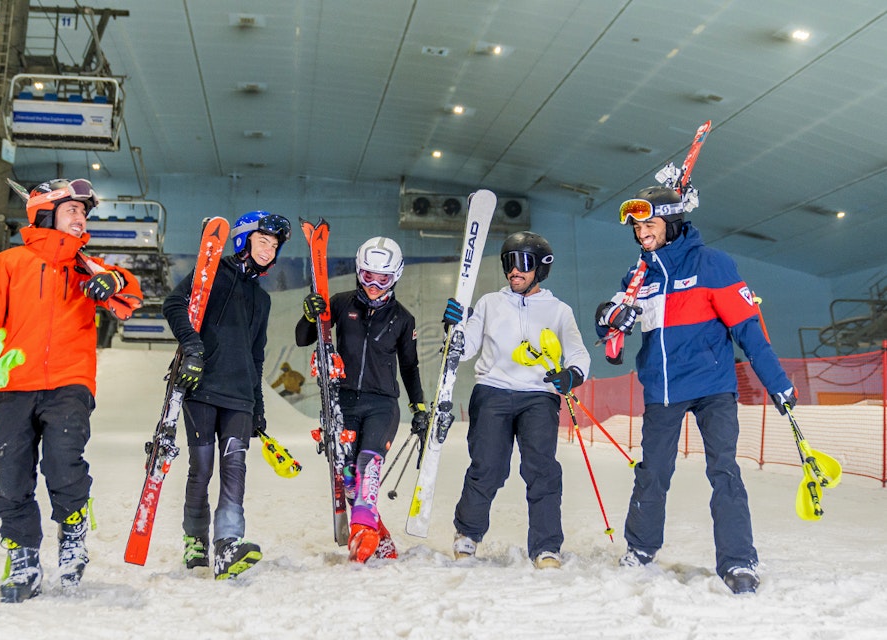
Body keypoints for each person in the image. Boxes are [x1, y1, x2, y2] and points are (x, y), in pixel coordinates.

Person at [597, 184, 797, 594]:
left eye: (649, 224)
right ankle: (640, 547)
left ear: (671, 223)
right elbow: (608, 331)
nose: (641, 233)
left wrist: (777, 383)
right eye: (636, 226)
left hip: (712, 388)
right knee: (652, 473)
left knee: (724, 471)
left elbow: (748, 328)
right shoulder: (638, 277)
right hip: (662, 391)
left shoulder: (712, 265)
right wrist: (610, 318)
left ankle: (739, 560)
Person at [0, 178, 143, 603]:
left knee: (63, 461)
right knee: (11, 475)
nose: (81, 219)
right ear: (44, 213)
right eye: (72, 211)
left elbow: (130, 298)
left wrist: (116, 282)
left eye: (83, 213)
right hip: (13, 385)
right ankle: (23, 555)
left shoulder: (86, 267)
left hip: (69, 382)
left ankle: (73, 529)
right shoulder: (9, 263)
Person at [442, 231, 590, 570]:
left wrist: (573, 374)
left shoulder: (559, 310)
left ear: (541, 268)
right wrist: (454, 328)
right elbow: (464, 352)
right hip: (492, 390)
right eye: (509, 262)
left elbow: (578, 351)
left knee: (542, 470)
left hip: (539, 395)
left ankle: (546, 547)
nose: (514, 271)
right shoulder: (490, 303)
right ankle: (467, 533)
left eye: (523, 263)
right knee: (488, 466)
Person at [163, 210, 290, 580]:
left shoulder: (262, 301)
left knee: (235, 469)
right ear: (244, 240)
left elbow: (256, 354)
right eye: (262, 241)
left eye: (274, 245)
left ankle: (227, 545)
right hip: (201, 389)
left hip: (240, 399)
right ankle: (196, 541)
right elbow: (173, 304)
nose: (268, 250)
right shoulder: (212, 272)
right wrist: (192, 347)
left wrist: (259, 404)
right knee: (201, 469)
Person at [297, 236, 427, 562]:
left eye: (382, 278)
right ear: (358, 271)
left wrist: (419, 407)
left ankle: (364, 536)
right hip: (344, 403)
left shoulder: (403, 318)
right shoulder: (341, 303)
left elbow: (409, 367)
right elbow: (303, 338)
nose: (373, 284)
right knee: (349, 479)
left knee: (368, 467)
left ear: (395, 276)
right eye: (367, 275)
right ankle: (378, 537)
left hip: (382, 404)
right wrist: (310, 314)